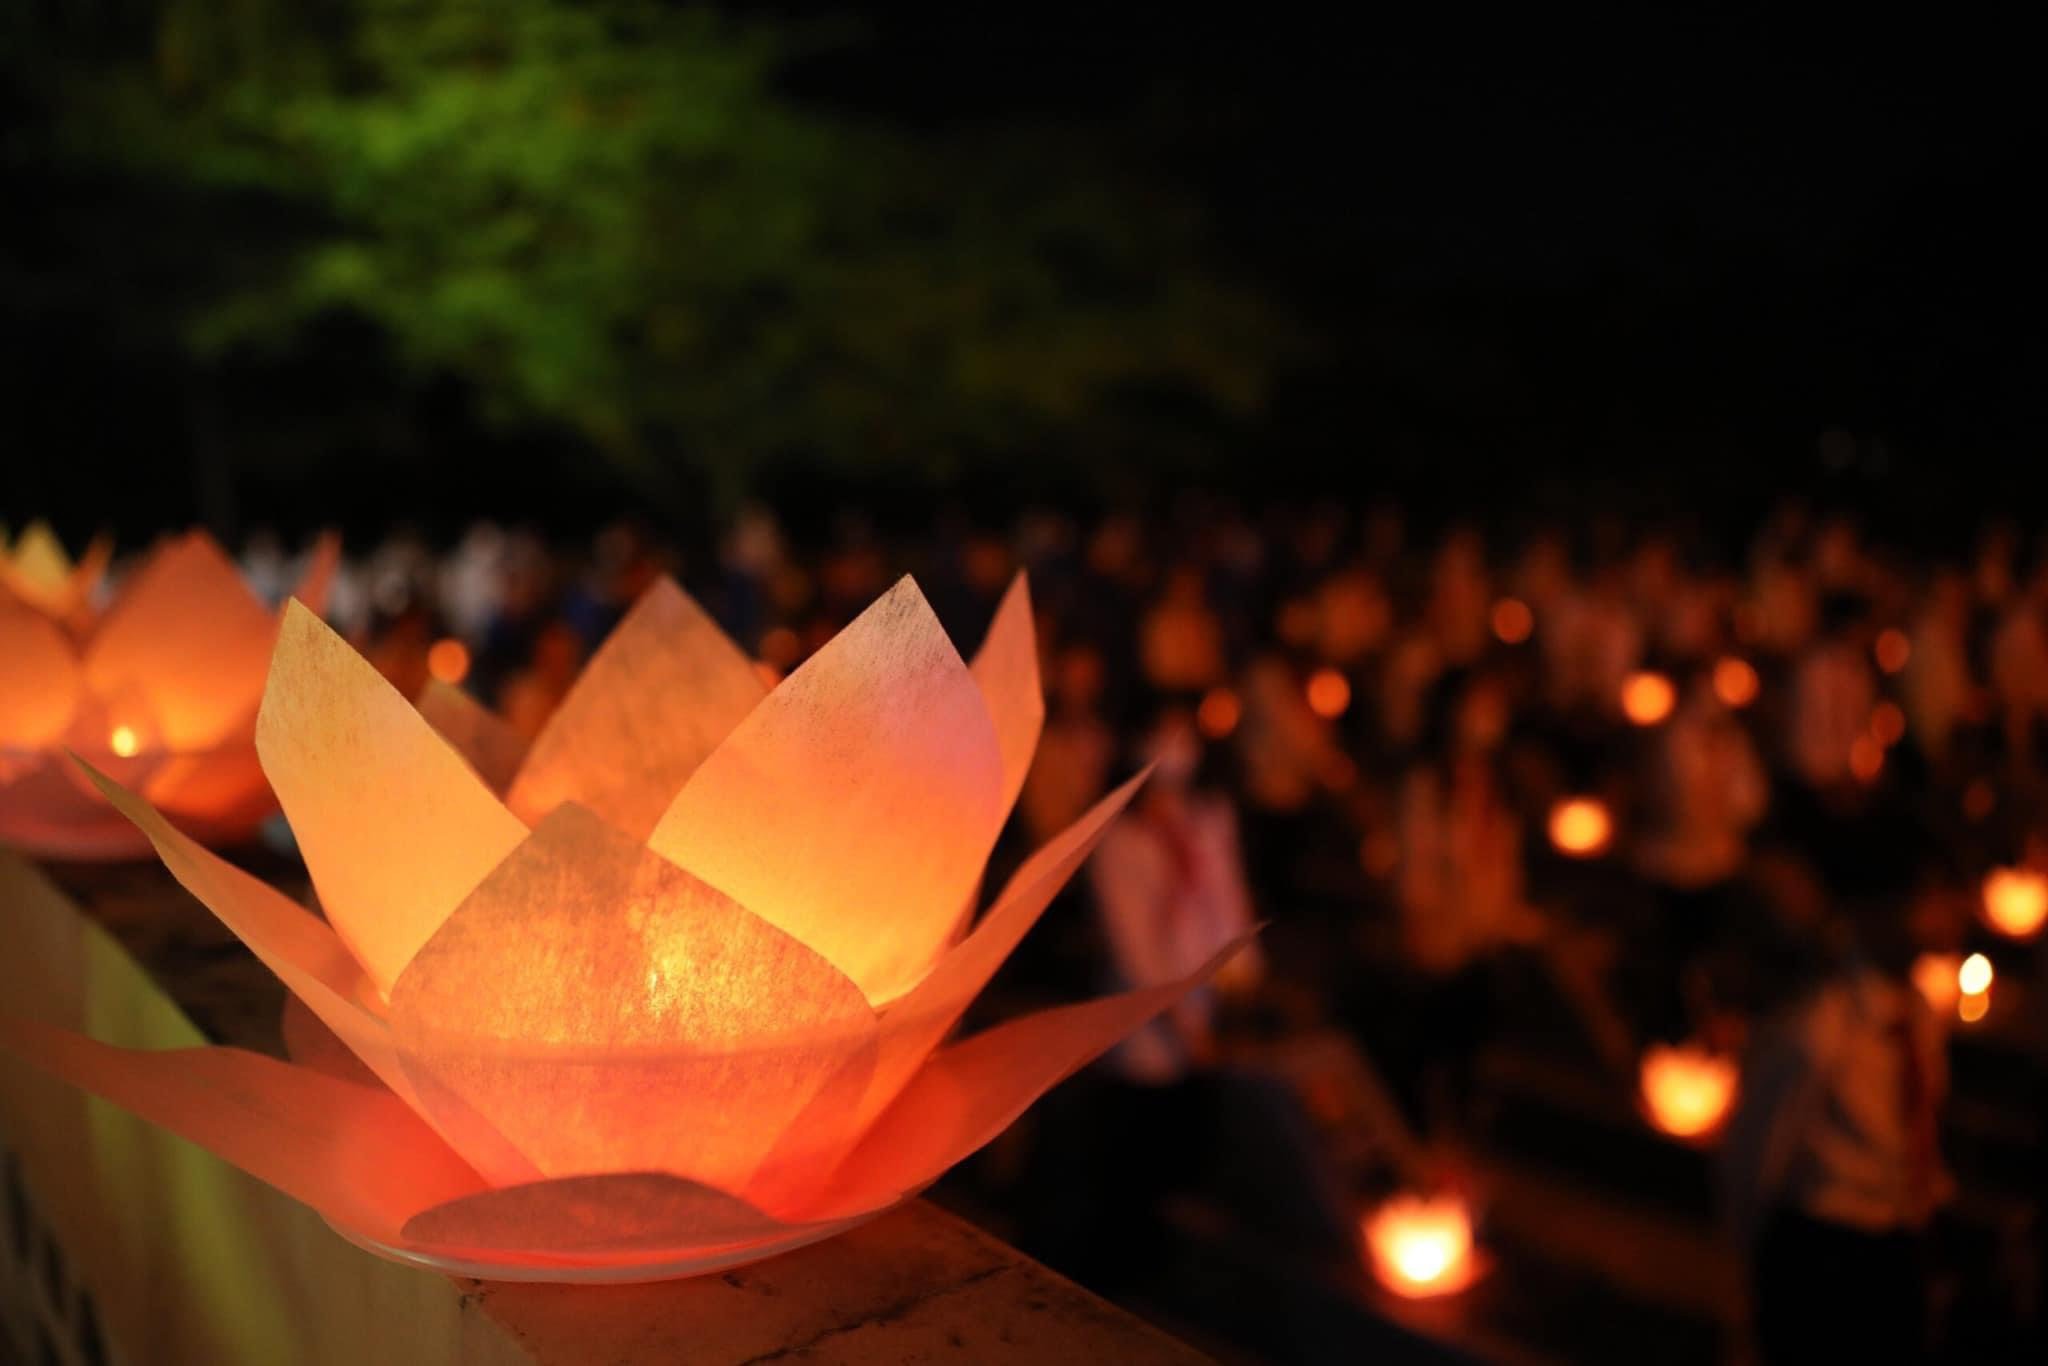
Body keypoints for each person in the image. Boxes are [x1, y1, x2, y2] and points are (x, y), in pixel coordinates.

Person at [1720, 851, 1948, 1365]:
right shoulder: (1818, 1032)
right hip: (1823, 1247)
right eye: (1922, 902)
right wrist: (1748, 1260)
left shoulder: (1918, 1017)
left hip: (1895, 1237)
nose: (1939, 916)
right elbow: (1757, 1153)